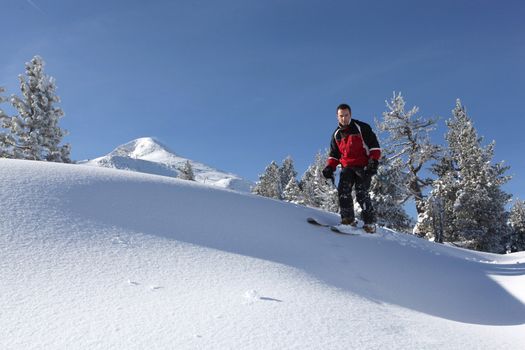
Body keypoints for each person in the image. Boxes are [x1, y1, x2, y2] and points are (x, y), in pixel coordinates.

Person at [322, 103, 381, 233]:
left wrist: (373, 162)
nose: (344, 118)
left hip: (363, 166)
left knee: (361, 193)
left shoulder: (362, 127)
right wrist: (329, 167)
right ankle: (348, 220)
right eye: (341, 116)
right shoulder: (336, 134)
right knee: (343, 191)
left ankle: (370, 224)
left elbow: (374, 147)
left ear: (350, 114)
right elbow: (334, 155)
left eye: (346, 115)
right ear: (337, 117)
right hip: (347, 167)